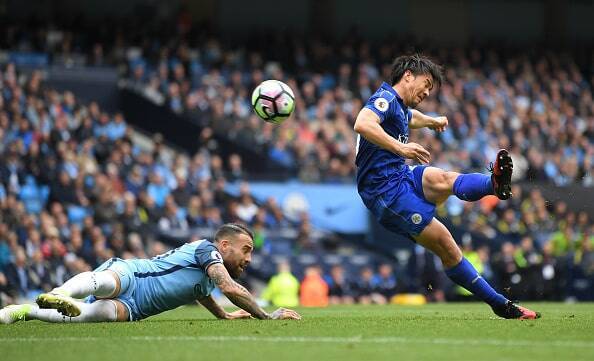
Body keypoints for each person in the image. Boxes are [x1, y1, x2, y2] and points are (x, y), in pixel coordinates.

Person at [353, 54, 539, 319]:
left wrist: (430, 120)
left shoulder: (399, 105)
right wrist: (400, 146)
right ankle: (501, 304)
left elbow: (409, 117)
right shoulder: (382, 99)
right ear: (407, 75)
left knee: (443, 178)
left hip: (400, 175)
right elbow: (363, 122)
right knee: (447, 245)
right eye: (426, 83)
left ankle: (494, 184)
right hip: (384, 192)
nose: (428, 91)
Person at [0, 223, 301, 324]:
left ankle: (22, 311)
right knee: (104, 282)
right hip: (135, 274)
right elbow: (229, 287)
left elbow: (203, 293)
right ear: (224, 245)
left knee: (94, 315)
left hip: (136, 308)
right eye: (246, 249)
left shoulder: (207, 273)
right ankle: (60, 294)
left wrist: (223, 316)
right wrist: (266, 315)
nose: (249, 258)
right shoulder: (206, 250)